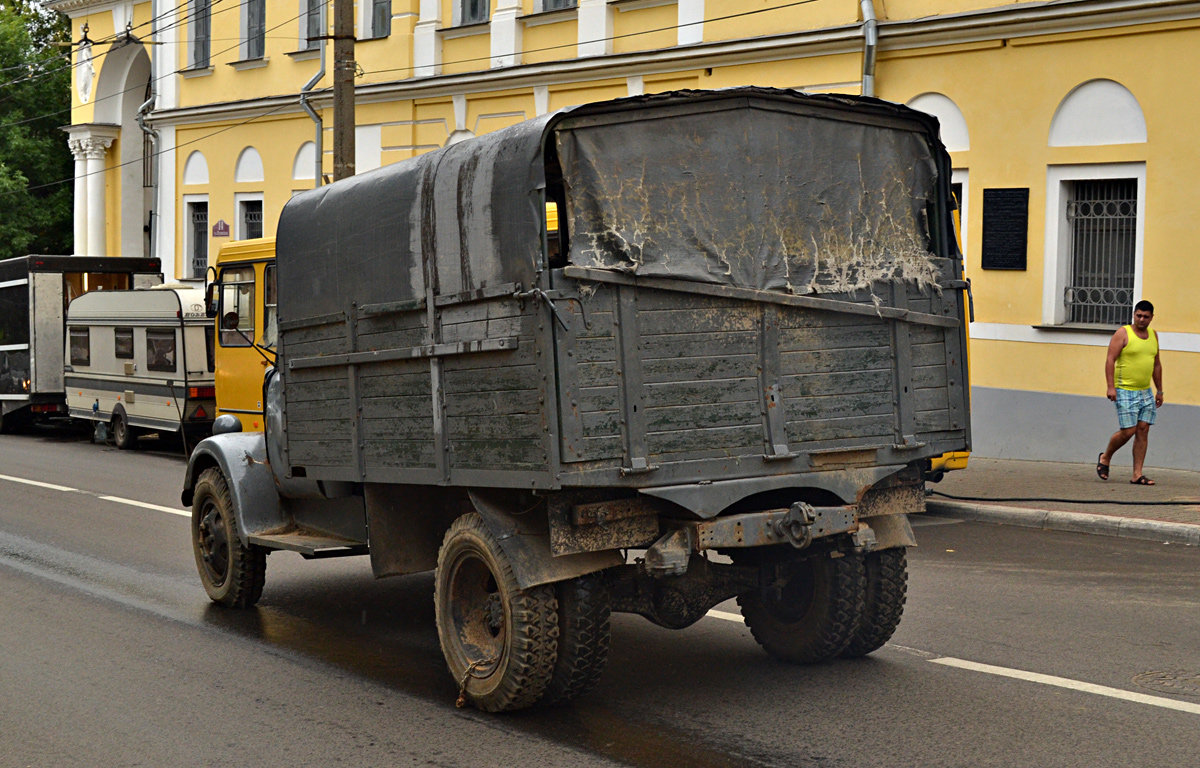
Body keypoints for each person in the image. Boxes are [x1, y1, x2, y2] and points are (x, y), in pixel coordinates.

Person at [1096, 300, 1163, 485]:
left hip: (1145, 391)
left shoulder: (1153, 336)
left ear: (1151, 317)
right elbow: (1110, 359)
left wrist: (1160, 390)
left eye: (1146, 317)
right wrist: (1110, 386)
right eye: (1138, 315)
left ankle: (1137, 474)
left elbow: (1156, 364)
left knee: (1143, 430)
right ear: (1134, 315)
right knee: (1128, 430)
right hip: (1124, 390)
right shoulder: (1123, 333)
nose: (1141, 319)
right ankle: (1105, 457)